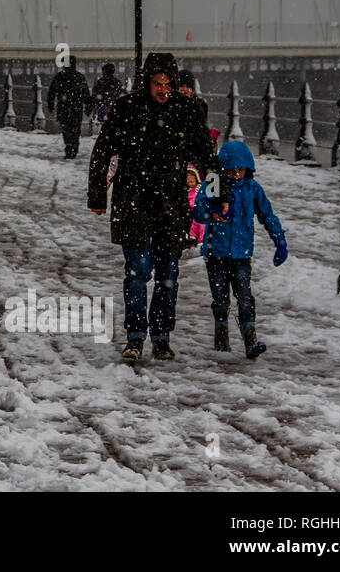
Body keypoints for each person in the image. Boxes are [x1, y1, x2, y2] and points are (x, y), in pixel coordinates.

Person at [88, 52, 218, 362]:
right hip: (133, 201)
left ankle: (161, 336)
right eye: (158, 84)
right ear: (147, 81)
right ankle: (135, 337)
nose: (163, 90)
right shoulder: (127, 109)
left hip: (171, 204)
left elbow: (206, 153)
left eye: (168, 84)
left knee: (168, 274)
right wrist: (97, 197)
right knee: (137, 272)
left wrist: (217, 192)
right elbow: (102, 151)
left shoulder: (187, 111)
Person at [192, 140, 288, 359]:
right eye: (231, 170)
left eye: (240, 170)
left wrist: (279, 240)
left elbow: (267, 215)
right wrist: (210, 211)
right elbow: (198, 210)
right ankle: (221, 340)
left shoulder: (252, 189)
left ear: (248, 169)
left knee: (245, 297)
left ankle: (250, 339)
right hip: (216, 252)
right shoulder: (214, 184)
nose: (236, 175)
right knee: (221, 299)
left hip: (241, 254)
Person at [47, 56, 90, 158]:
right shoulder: (80, 77)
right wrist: (88, 106)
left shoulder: (59, 77)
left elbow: (52, 92)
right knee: (75, 128)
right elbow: (86, 94)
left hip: (64, 108)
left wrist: (51, 104)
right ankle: (74, 147)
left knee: (66, 128)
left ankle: (69, 147)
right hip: (77, 107)